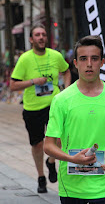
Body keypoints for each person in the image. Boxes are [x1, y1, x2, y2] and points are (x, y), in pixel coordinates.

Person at [43, 35, 105, 204]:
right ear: (75, 63)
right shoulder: (61, 100)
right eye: (83, 59)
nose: (89, 64)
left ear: (102, 62)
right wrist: (73, 159)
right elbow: (48, 145)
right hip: (72, 189)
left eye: (94, 58)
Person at [10, 23, 71, 193]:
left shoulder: (55, 55)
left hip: (54, 105)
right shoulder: (25, 59)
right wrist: (32, 82)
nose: (41, 37)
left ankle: (51, 161)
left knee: (59, 139)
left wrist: (65, 90)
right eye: (37, 35)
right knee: (37, 144)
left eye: (43, 34)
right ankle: (40, 176)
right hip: (33, 108)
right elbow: (13, 85)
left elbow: (66, 71)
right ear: (31, 39)